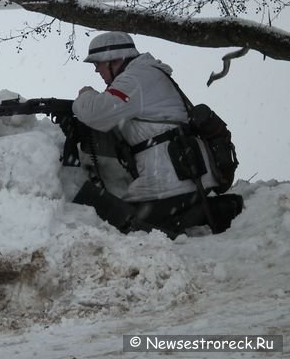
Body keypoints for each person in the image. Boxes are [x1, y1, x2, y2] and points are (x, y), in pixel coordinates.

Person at [71, 31, 242, 238]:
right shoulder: (147, 74)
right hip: (182, 177)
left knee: (116, 223)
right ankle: (206, 212)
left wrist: (86, 94)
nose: (96, 69)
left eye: (97, 63)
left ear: (115, 59)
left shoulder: (135, 78)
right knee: (137, 221)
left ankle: (217, 211)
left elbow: (96, 113)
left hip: (170, 182)